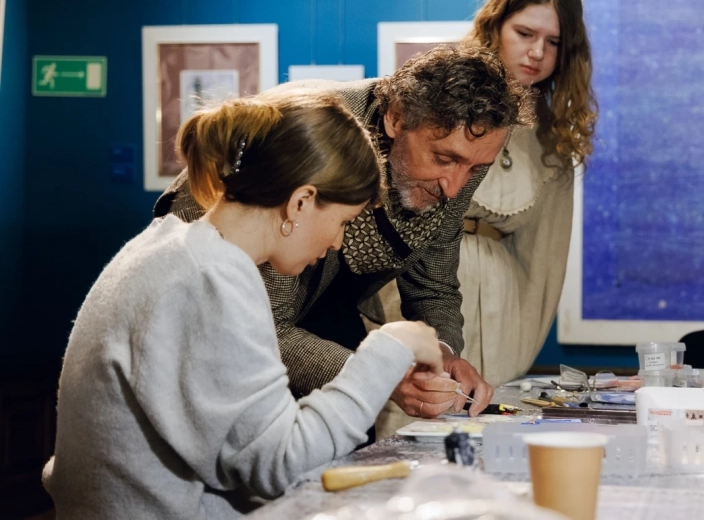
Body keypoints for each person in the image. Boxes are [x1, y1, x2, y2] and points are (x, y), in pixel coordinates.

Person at [43, 90, 445, 519]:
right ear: (301, 202)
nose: (336, 242)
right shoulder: (211, 279)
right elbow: (280, 462)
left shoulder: (169, 249)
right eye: (343, 222)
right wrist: (391, 345)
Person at [155, 45, 533, 424]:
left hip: (320, 294)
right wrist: (379, 375)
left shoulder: (465, 152)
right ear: (396, 118)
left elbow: (434, 283)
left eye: (475, 169)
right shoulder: (310, 141)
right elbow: (263, 329)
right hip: (228, 308)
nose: (454, 189)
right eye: (443, 159)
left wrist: (442, 353)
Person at [458, 0, 597, 385]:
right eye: (525, 33)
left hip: (502, 312)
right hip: (417, 299)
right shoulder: (439, 99)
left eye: (553, 42)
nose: (537, 52)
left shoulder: (554, 137)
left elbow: (543, 266)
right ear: (495, 26)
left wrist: (519, 353)